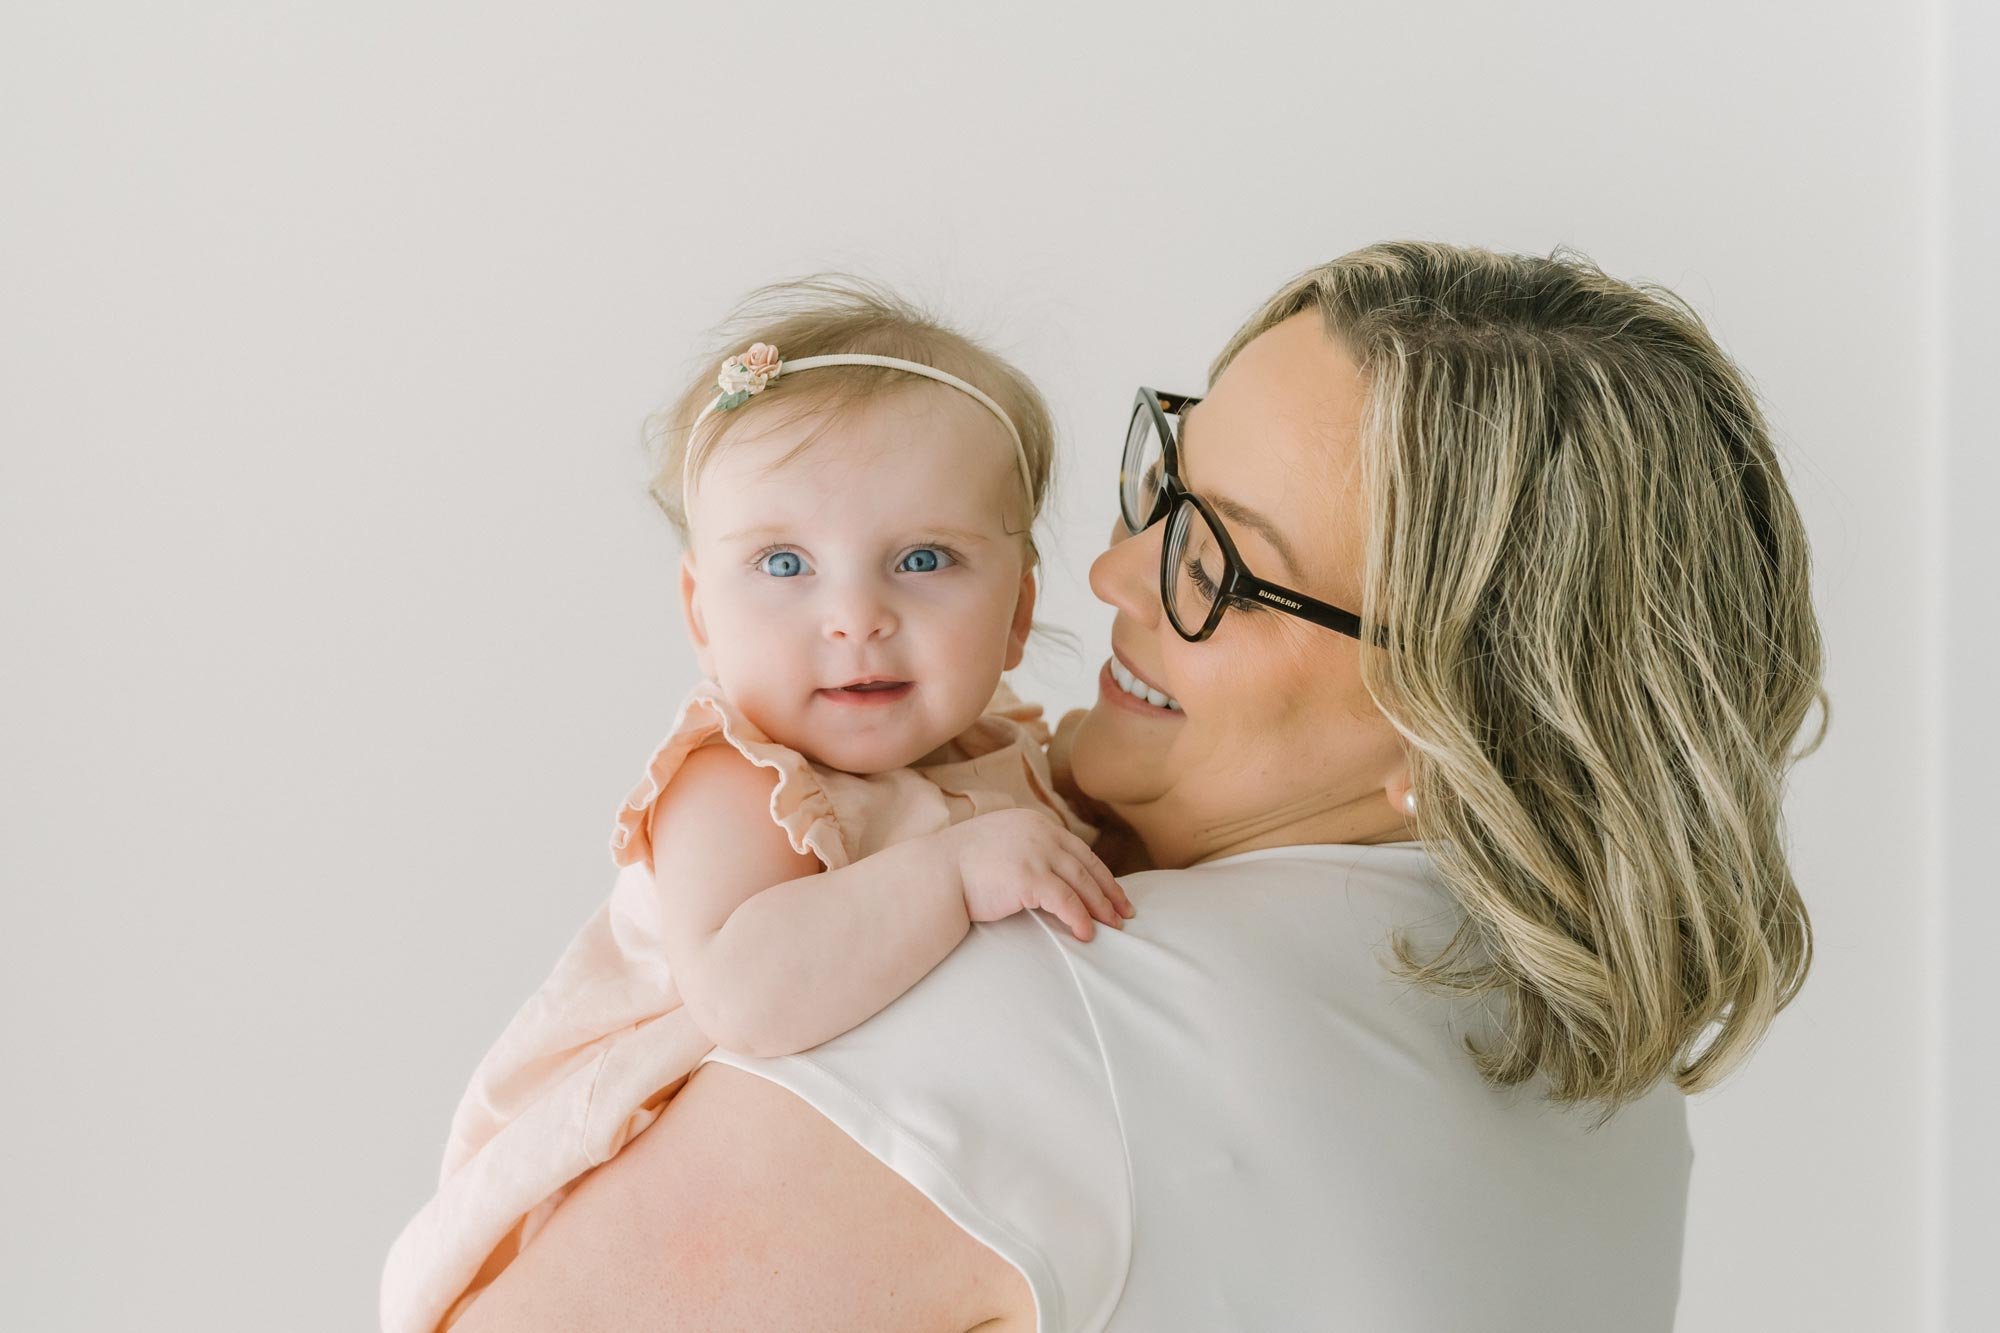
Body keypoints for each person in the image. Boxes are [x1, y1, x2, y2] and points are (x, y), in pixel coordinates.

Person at [446, 241, 1827, 1332]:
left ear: (1452, 715)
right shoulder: (1590, 1055)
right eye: (1164, 484)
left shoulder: (1040, 1006)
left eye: (1216, 564)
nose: (1112, 577)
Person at [381, 279, 1133, 1333]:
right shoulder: (735, 780)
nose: (856, 616)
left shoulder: (1004, 757)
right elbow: (750, 994)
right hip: (626, 1208)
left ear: (1018, 611)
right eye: (784, 563)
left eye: (924, 560)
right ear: (700, 607)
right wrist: (956, 872)